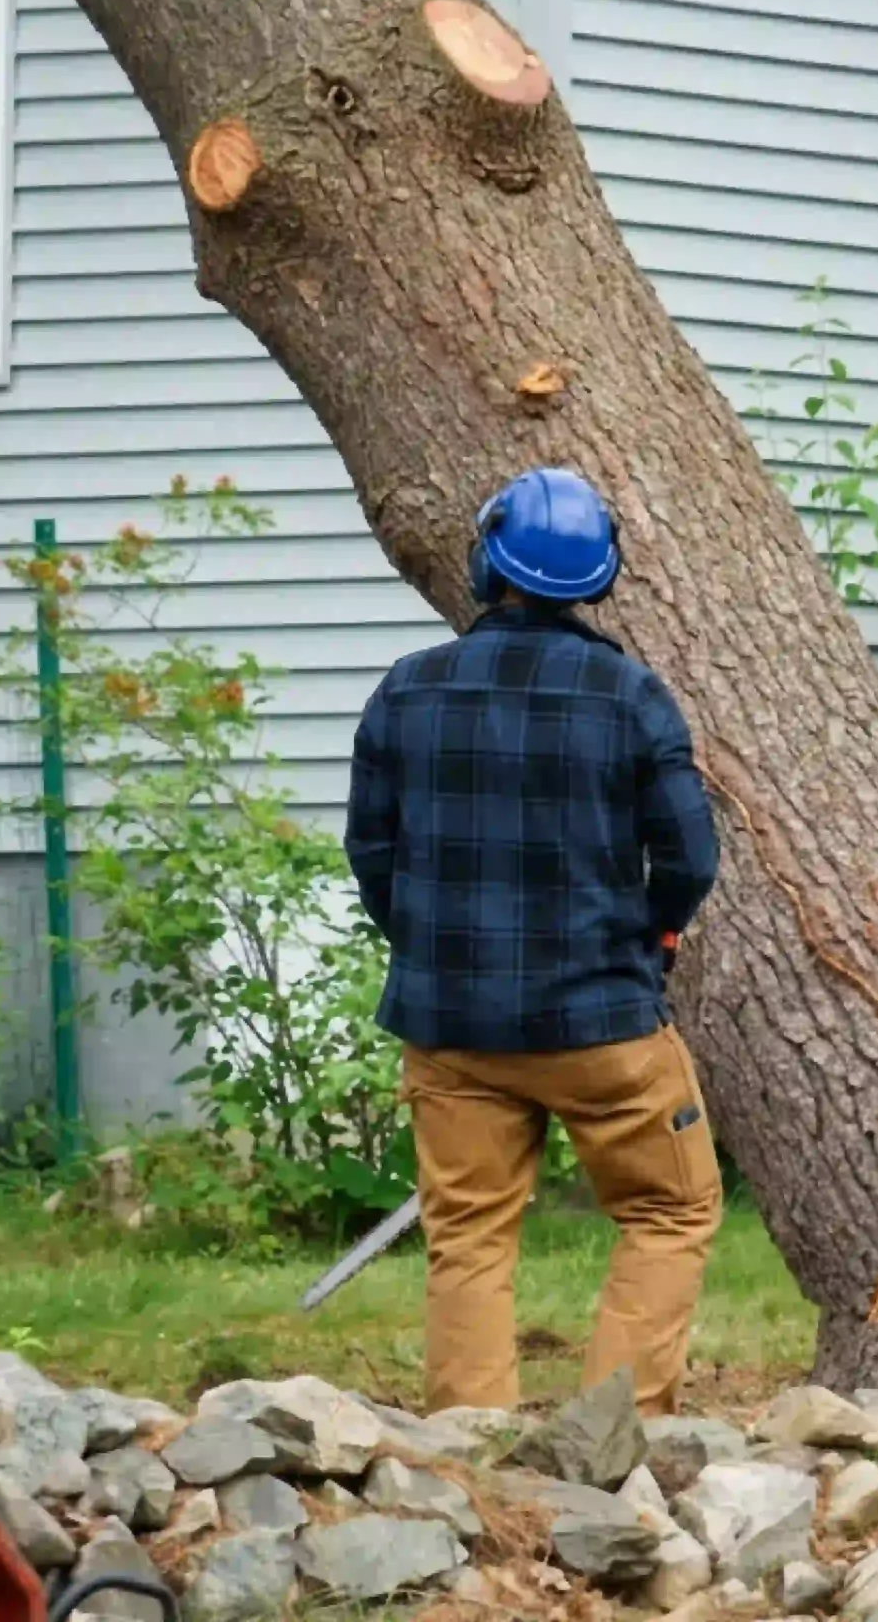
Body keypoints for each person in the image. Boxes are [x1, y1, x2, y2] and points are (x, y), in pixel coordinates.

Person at [345, 466, 722, 1417]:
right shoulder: (634, 698)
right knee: (669, 1210)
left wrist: (430, 946)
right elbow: (689, 858)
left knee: (468, 1237)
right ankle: (614, 1442)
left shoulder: (406, 691)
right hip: (603, 1025)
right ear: (599, 578)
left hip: (451, 1026)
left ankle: (466, 1465)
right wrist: (653, 938)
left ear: (484, 563)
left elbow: (372, 853)